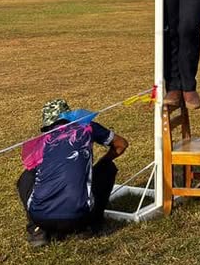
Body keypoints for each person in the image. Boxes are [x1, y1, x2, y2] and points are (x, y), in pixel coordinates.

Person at [17, 99, 129, 246]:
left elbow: (32, 171)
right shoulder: (88, 127)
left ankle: (37, 230)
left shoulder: (41, 141)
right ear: (70, 116)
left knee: (26, 176)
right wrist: (101, 163)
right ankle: (92, 225)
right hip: (80, 217)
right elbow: (121, 144)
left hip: (41, 217)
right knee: (108, 168)